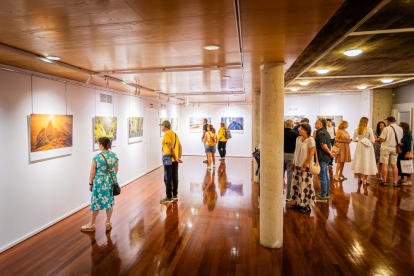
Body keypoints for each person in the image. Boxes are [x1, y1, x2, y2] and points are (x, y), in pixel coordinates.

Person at [81, 137, 119, 232]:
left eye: (99, 143)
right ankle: (108, 223)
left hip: (99, 183)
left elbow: (92, 173)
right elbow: (116, 170)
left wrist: (90, 183)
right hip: (110, 181)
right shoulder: (114, 156)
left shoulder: (97, 157)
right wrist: (109, 178)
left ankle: (92, 224)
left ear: (101, 145)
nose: (98, 145)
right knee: (109, 202)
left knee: (95, 202)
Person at [289, 123, 316, 214]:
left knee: (305, 186)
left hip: (305, 167)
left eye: (301, 129)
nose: (299, 130)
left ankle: (306, 205)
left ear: (307, 130)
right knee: (296, 184)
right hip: (297, 165)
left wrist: (305, 165)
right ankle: (297, 202)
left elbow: (311, 153)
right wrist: (293, 163)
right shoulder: (298, 139)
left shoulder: (310, 140)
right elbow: (296, 152)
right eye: (299, 128)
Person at [159, 120, 183, 203]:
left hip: (168, 160)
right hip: (174, 160)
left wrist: (176, 157)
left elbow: (170, 147)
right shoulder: (174, 134)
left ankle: (169, 196)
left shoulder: (167, 134)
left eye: (162, 126)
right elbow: (180, 146)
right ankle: (175, 195)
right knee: (174, 177)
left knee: (167, 178)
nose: (161, 127)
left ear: (165, 127)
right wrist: (178, 157)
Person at [314, 118, 336, 200]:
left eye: (316, 123)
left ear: (320, 124)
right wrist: (330, 153)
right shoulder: (325, 132)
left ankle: (323, 195)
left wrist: (330, 153)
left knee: (322, 176)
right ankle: (325, 193)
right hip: (325, 157)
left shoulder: (321, 133)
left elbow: (324, 145)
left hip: (322, 157)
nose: (315, 124)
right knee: (325, 176)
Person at [351, 117, 377, 185]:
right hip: (367, 147)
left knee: (359, 161)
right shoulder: (369, 129)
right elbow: (373, 140)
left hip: (359, 146)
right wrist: (367, 141)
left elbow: (353, 139)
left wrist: (360, 140)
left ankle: (359, 179)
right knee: (367, 161)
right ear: (366, 122)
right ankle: (365, 179)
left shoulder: (357, 129)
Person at [379, 116, 403, 187]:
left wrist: (379, 139)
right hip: (394, 148)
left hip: (386, 148)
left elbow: (382, 139)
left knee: (385, 165)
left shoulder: (386, 129)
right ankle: (395, 182)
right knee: (394, 165)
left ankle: (384, 181)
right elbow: (400, 139)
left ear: (388, 121)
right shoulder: (400, 129)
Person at [284, 119, 299, 202]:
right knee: (290, 176)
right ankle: (288, 196)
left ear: (285, 125)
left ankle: (278, 193)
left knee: (280, 175)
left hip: (280, 155)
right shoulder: (295, 134)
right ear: (292, 126)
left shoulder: (281, 133)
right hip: (291, 156)